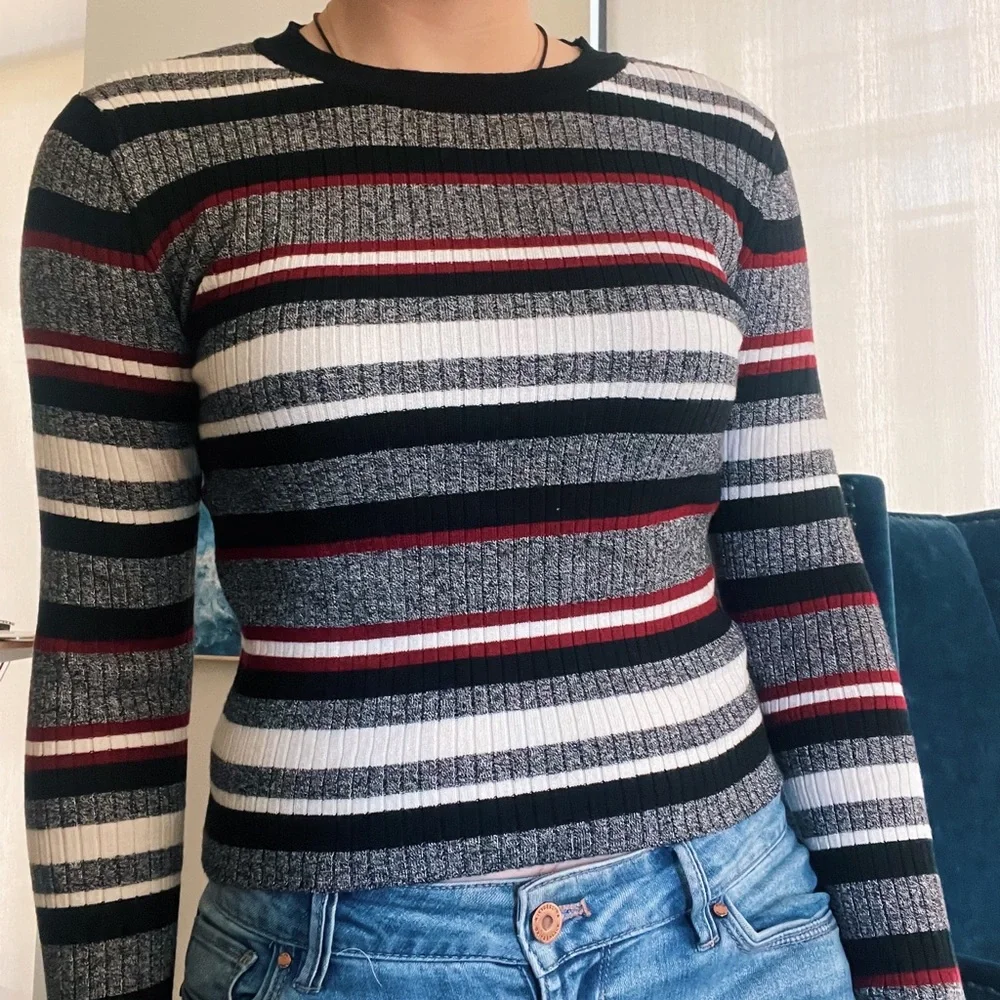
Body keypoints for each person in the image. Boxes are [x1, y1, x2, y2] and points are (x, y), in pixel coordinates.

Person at [20, 1, 963, 998]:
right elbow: (110, 659)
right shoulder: (133, 152)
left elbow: (803, 584)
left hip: (734, 929)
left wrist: (916, 974)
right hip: (342, 957)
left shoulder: (721, 147)